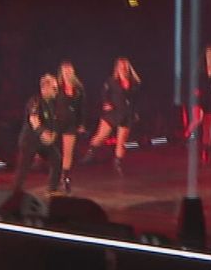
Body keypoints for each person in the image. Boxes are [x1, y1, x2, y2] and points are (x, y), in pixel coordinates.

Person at [86, 58, 141, 172]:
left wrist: (135, 113)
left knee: (121, 142)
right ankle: (90, 154)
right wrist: (106, 102)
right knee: (101, 136)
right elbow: (104, 93)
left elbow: (135, 100)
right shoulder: (111, 81)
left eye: (125, 66)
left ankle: (118, 164)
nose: (123, 68)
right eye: (121, 66)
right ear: (117, 68)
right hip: (112, 113)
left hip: (125, 113)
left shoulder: (134, 82)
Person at [10, 75, 61, 195]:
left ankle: (52, 190)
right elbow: (34, 120)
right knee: (23, 168)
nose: (56, 91)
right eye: (54, 88)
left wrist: (53, 135)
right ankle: (15, 192)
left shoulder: (52, 104)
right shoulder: (35, 101)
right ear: (46, 87)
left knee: (57, 160)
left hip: (43, 142)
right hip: (30, 141)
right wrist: (42, 132)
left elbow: (54, 122)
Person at [53, 61, 87, 194]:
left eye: (69, 71)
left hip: (71, 124)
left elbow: (82, 108)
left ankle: (65, 178)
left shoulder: (78, 89)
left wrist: (81, 124)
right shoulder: (57, 86)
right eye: (65, 71)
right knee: (54, 151)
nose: (67, 73)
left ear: (73, 72)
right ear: (61, 73)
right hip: (57, 123)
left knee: (68, 152)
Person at [188, 45, 211, 163]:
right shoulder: (199, 68)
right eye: (208, 53)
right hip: (199, 97)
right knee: (197, 118)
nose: (209, 55)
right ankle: (186, 135)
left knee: (207, 128)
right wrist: (195, 90)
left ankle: (205, 151)